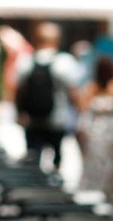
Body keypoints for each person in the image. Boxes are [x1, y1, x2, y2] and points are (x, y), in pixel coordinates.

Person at [13, 22, 84, 173]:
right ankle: (54, 189)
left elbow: (18, 91)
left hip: (32, 120)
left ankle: (34, 188)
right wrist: (79, 116)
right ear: (57, 40)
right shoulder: (64, 62)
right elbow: (74, 92)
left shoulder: (25, 62)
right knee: (57, 157)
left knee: (33, 157)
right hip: (58, 119)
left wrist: (19, 113)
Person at [74, 55, 113, 202]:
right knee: (110, 163)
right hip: (111, 130)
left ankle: (99, 192)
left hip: (99, 130)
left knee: (100, 163)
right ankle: (106, 193)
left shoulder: (92, 88)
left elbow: (81, 108)